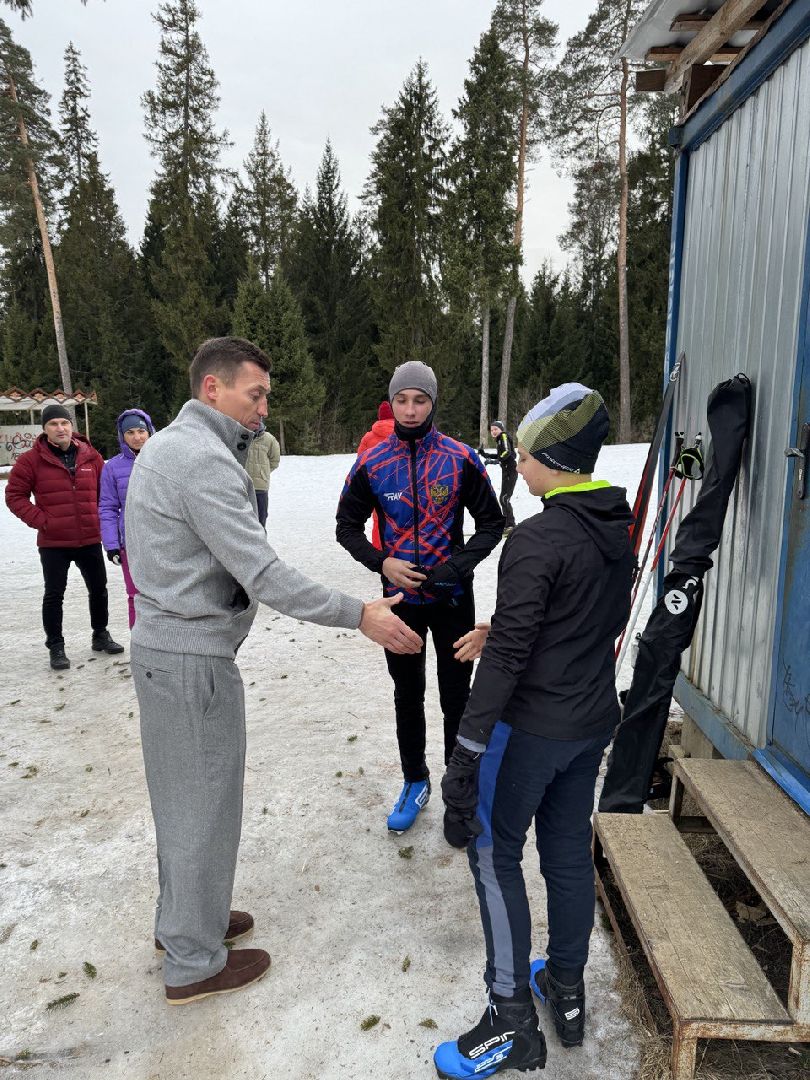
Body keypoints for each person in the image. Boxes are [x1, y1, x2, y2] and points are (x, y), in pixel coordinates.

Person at [125, 336, 422, 1006]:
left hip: (169, 651)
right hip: (191, 661)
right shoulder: (200, 459)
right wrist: (358, 613)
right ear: (213, 388)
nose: (263, 408)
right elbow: (262, 572)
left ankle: (185, 923)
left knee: (182, 803)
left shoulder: (172, 446)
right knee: (203, 808)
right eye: (254, 394)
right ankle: (193, 962)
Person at [434, 384, 634, 1079]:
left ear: (555, 459)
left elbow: (510, 660)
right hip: (589, 723)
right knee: (568, 853)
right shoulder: (614, 523)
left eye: (524, 455)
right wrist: (502, 626)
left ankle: (511, 1017)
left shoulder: (537, 538)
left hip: (531, 730)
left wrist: (466, 754)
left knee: (492, 853)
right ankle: (567, 989)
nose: (516, 465)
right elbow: (586, 614)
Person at [336, 361, 504, 834]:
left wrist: (456, 566)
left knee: (457, 696)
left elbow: (492, 524)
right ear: (391, 402)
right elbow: (346, 527)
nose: (410, 410)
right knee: (407, 694)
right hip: (398, 604)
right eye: (402, 400)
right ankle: (415, 780)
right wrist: (382, 563)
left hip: (452, 599)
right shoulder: (372, 462)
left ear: (433, 402)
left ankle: (459, 786)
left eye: (420, 400)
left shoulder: (460, 458)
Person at [5, 404, 125, 670]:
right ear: (45, 429)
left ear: (71, 426)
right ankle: (56, 646)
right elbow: (14, 496)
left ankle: (100, 634)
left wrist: (102, 521)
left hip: (89, 538)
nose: (60, 428)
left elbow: (105, 494)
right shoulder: (30, 460)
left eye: (64, 423)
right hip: (54, 543)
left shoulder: (91, 456)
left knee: (99, 589)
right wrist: (43, 521)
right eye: (53, 424)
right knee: (54, 594)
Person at [99, 409, 155, 628]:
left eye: (141, 431)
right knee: (136, 596)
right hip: (131, 543)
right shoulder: (112, 467)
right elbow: (108, 508)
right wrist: (112, 544)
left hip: (164, 540)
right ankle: (139, 640)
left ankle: (169, 642)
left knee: (168, 596)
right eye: (130, 432)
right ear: (122, 436)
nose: (137, 437)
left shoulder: (165, 460)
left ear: (149, 432)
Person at [355, 400, 395, 549]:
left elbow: (360, 463)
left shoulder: (368, 438)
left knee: (379, 519)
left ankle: (380, 551)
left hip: (376, 484)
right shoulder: (403, 433)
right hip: (401, 482)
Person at [478, 419, 517, 532]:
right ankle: (508, 524)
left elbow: (507, 452)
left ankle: (510, 525)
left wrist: (496, 461)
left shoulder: (503, 436)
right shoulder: (500, 440)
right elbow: (500, 455)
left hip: (510, 470)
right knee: (503, 498)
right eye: (492, 430)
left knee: (504, 498)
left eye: (496, 429)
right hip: (506, 471)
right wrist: (485, 454)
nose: (493, 431)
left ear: (501, 429)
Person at [244, 424, 280, 528]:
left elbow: (275, 461)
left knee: (261, 519)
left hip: (260, 487)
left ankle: (261, 538)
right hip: (243, 486)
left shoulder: (269, 439)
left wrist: (263, 473)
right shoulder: (241, 437)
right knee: (244, 520)